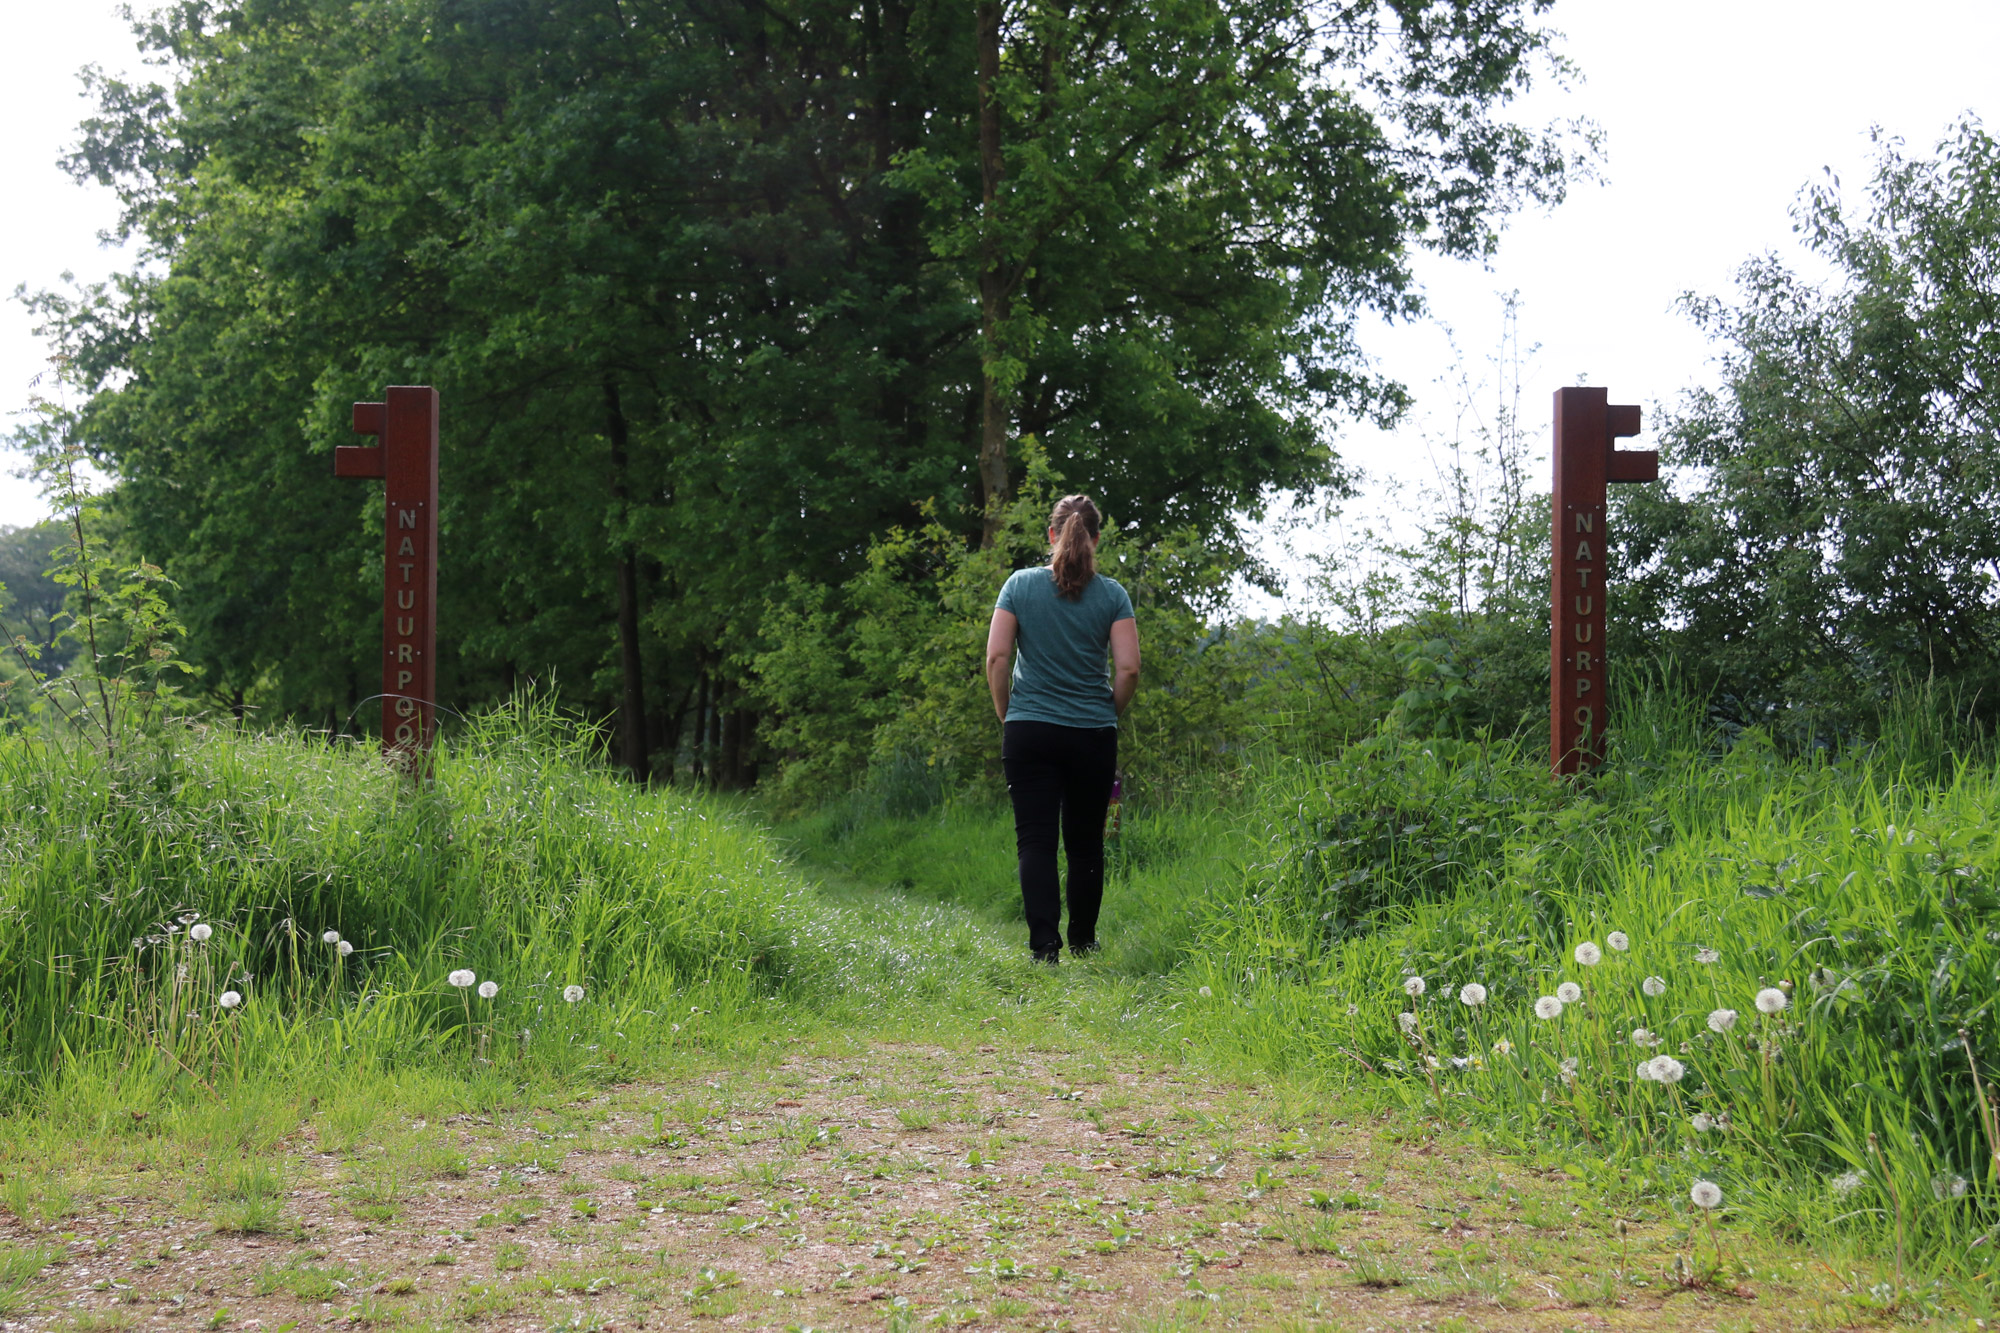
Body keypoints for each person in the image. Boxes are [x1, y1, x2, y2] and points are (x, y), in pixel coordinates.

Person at [985, 495, 1141, 963]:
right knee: (1085, 841)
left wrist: (1007, 712)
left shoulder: (1019, 585)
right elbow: (1129, 669)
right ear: (1095, 539)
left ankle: (1044, 948)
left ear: (1052, 535)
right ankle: (1084, 943)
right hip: (1091, 733)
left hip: (1029, 728)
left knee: (1035, 839)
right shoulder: (1112, 595)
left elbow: (996, 658)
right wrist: (1106, 713)